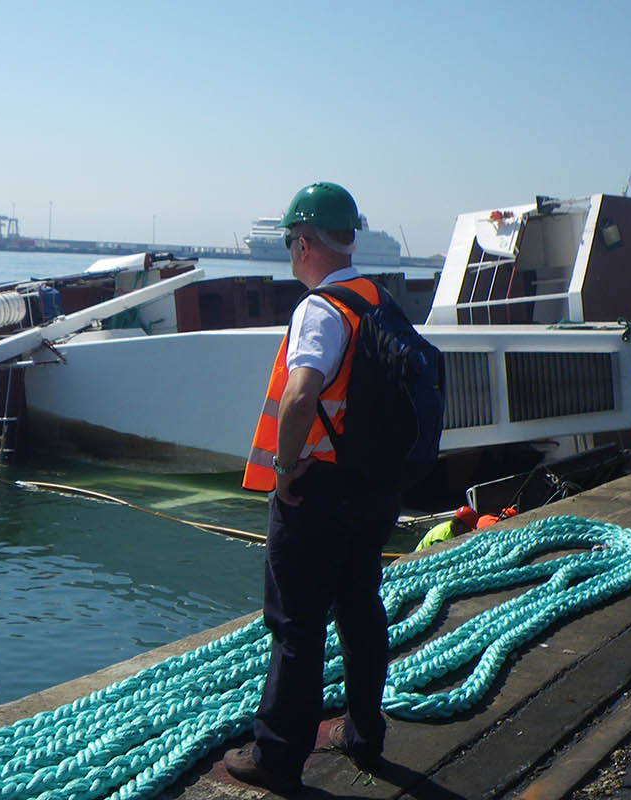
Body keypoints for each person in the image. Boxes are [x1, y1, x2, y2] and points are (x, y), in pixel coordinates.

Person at [224, 182, 400, 794]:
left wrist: (284, 466)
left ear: (302, 243)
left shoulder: (321, 309)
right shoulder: (376, 298)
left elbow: (301, 394)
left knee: (296, 624)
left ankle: (277, 756)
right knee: (359, 606)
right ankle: (364, 731)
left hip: (318, 489)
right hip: (374, 486)